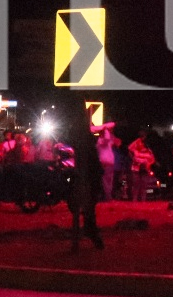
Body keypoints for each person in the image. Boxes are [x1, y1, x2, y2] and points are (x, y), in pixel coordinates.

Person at [64, 101, 105, 252]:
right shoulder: (83, 139)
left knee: (88, 206)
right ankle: (90, 231)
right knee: (88, 207)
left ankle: (90, 230)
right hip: (87, 175)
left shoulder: (84, 139)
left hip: (89, 175)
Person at [130, 129, 157, 202]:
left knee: (144, 185)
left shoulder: (148, 145)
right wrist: (133, 159)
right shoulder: (136, 143)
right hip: (137, 167)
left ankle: (143, 201)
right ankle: (135, 200)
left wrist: (148, 164)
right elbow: (130, 150)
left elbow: (152, 158)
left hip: (145, 167)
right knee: (136, 184)